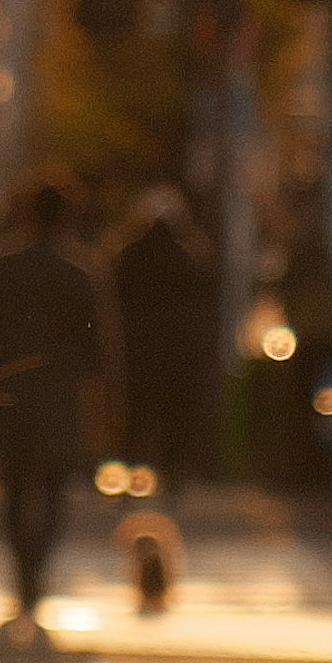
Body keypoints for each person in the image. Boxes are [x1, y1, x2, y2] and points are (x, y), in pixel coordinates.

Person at [0, 176, 116, 627]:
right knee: (53, 488)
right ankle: (36, 566)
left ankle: (24, 568)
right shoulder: (79, 272)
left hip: (8, 390)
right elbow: (101, 345)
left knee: (11, 489)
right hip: (59, 396)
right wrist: (99, 391)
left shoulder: (3, 266)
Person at [107, 182, 221, 488]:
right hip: (179, 353)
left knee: (139, 415)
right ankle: (174, 472)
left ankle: (133, 474)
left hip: (140, 349)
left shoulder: (129, 253)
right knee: (175, 415)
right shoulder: (191, 254)